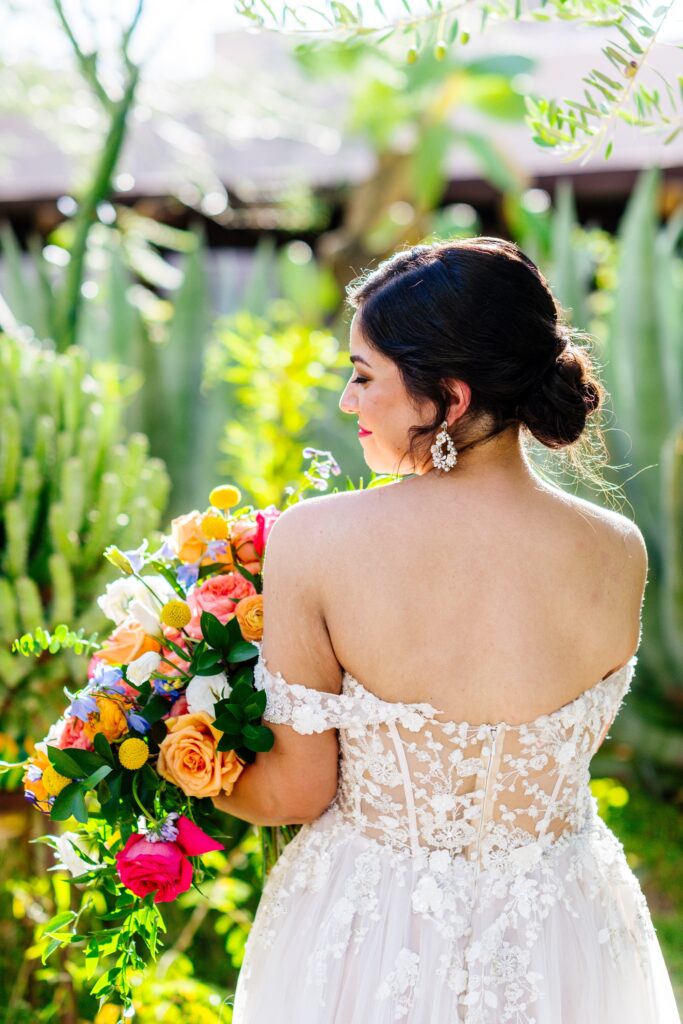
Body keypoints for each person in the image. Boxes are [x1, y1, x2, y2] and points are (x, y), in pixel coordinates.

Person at [214, 238, 681, 1022]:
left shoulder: (315, 541)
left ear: (450, 399)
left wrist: (175, 754)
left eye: (363, 376)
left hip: (370, 934)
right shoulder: (617, 550)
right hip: (563, 930)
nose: (346, 401)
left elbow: (294, 791)